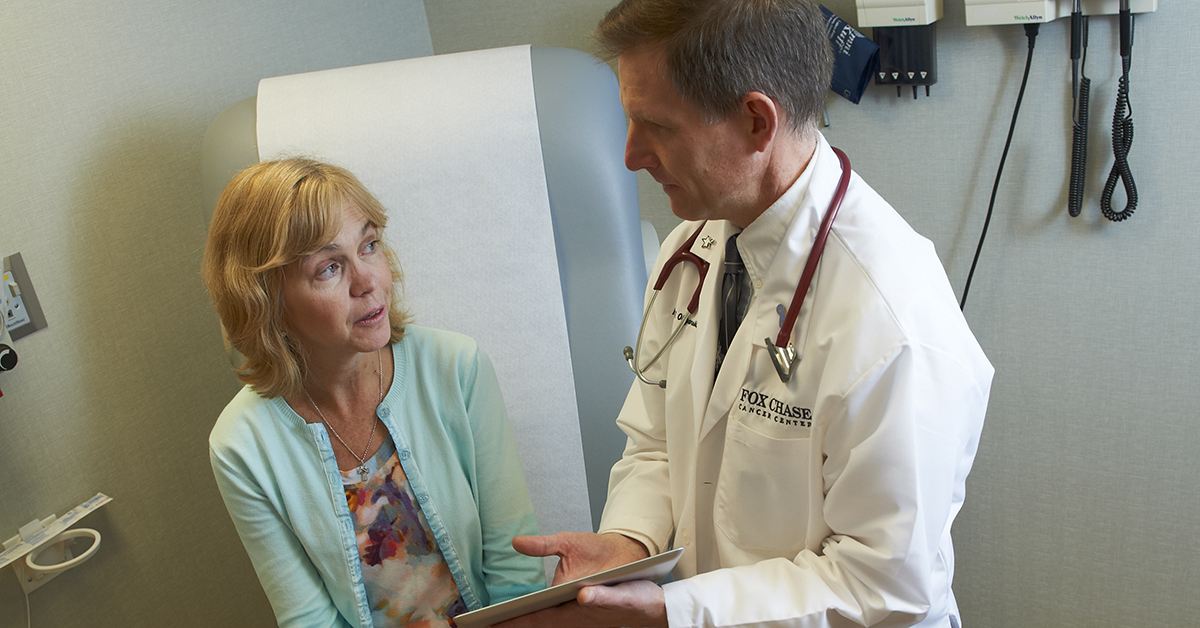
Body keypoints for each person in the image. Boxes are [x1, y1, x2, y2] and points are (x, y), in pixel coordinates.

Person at [500, 1, 994, 627]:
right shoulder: (694, 248)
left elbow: (884, 585)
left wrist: (676, 611)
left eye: (656, 126)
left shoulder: (893, 325)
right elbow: (658, 440)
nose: (630, 155)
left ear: (756, 122)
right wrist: (630, 542)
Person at [202, 158, 545, 628]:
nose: (369, 282)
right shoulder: (242, 445)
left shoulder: (458, 368)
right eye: (328, 268)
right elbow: (309, 620)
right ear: (266, 298)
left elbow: (516, 572)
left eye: (369, 245)